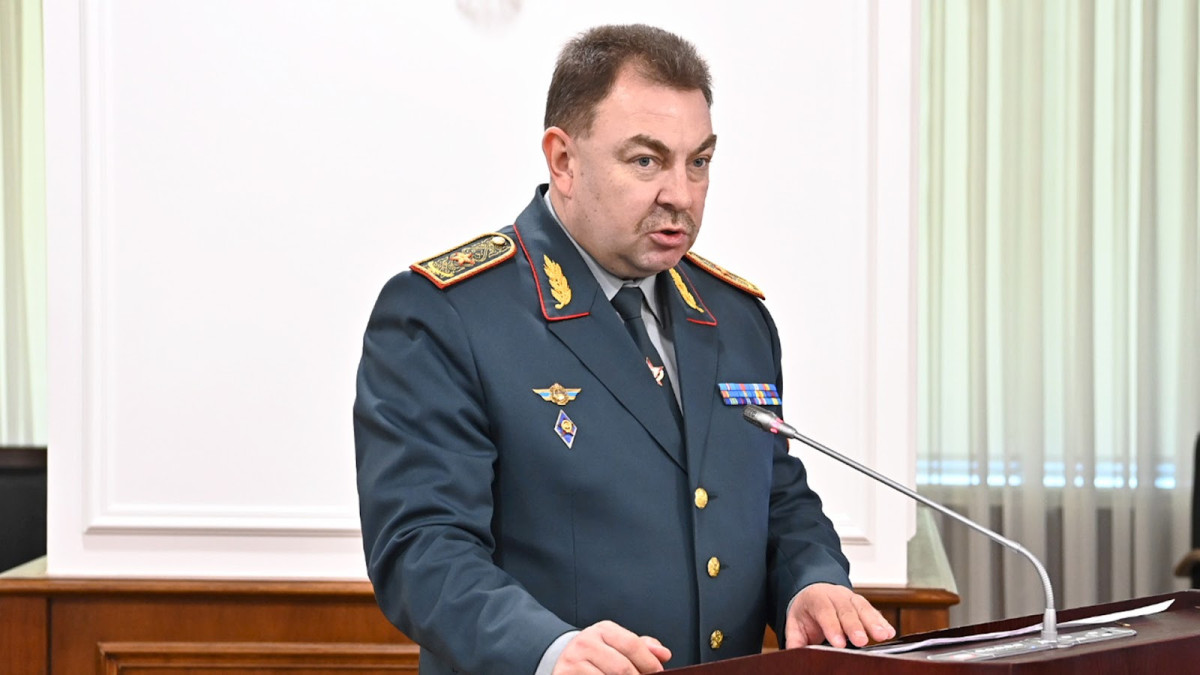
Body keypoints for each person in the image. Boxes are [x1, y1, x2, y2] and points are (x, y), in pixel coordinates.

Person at [354, 24, 896, 675]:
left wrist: (811, 579)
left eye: (698, 162)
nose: (681, 194)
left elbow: (773, 496)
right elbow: (422, 548)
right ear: (563, 160)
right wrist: (545, 648)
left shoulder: (736, 317)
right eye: (646, 161)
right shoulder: (449, 314)